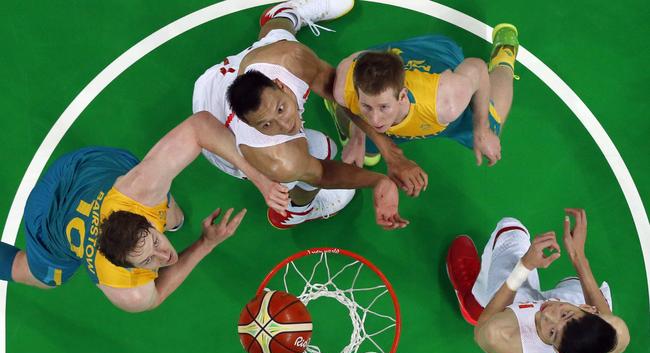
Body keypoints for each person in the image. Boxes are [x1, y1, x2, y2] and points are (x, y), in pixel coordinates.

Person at [0, 112, 286, 312]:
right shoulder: (126, 290)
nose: (165, 255)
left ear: (144, 219)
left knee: (169, 209)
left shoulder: (139, 190)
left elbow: (200, 126)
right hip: (49, 222)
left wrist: (260, 179)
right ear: (127, 268)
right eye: (148, 260)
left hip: (84, 169)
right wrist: (205, 244)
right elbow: (156, 294)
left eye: (155, 241)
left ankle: (167, 219)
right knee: (43, 278)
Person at [193, 0, 407, 230]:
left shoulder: (289, 58)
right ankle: (297, 211)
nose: (285, 125)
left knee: (278, 37)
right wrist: (379, 181)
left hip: (224, 77)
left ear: (280, 84)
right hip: (223, 135)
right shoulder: (278, 157)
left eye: (281, 109)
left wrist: (386, 149)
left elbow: (339, 93)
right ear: (250, 124)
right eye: (267, 125)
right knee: (323, 150)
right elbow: (322, 173)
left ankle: (287, 13)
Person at [327, 24, 519, 197]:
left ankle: (504, 59)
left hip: (439, 54)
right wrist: (357, 135)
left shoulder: (447, 102)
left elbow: (477, 69)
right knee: (364, 146)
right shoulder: (345, 88)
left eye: (383, 107)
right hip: (387, 57)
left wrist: (482, 129)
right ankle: (350, 121)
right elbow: (357, 59)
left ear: (402, 96)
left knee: (492, 129)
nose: (375, 119)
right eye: (367, 106)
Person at [446, 209, 630, 353]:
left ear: (557, 351)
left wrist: (525, 265)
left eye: (552, 332)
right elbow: (604, 323)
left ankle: (474, 302)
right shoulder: (615, 334)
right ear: (589, 309)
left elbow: (482, 330)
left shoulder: (504, 336)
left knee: (511, 231)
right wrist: (577, 255)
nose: (549, 313)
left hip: (518, 323)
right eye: (565, 314)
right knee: (575, 284)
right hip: (569, 323)